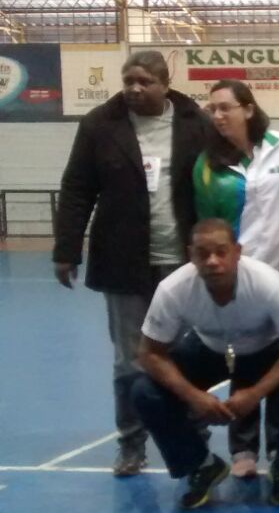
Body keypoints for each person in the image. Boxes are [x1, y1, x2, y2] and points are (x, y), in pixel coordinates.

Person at [52, 50, 214, 477]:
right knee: (129, 359)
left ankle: (195, 435)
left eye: (145, 81)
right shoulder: (99, 125)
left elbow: (220, 181)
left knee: (188, 356)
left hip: (183, 264)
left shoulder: (195, 122)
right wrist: (66, 249)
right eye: (129, 81)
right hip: (123, 262)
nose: (135, 89)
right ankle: (131, 443)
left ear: (165, 84)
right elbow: (77, 187)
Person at [131, 219, 279, 509]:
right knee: (144, 392)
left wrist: (255, 393)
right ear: (190, 254)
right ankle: (201, 464)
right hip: (209, 348)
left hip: (266, 349)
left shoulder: (270, 284)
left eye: (221, 252)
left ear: (237, 252)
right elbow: (149, 353)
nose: (212, 261)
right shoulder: (173, 289)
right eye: (203, 253)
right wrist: (194, 397)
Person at [193, 78, 279, 478]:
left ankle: (278, 444)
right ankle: (243, 447)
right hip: (243, 276)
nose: (218, 115)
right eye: (213, 109)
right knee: (244, 360)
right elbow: (209, 225)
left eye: (226, 107)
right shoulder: (207, 165)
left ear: (249, 109)